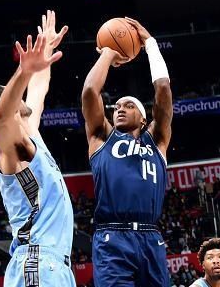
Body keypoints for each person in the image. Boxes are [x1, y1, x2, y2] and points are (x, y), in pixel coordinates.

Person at [0, 11, 76, 287]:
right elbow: (3, 115)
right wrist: (23, 70)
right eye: (12, 91)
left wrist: (47, 48)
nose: (22, 92)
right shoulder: (8, 149)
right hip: (37, 263)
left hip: (53, 264)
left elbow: (39, 87)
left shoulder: (29, 133)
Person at [81, 17, 173, 286]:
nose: (119, 108)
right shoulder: (102, 138)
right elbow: (89, 91)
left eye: (128, 105)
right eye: (116, 106)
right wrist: (108, 53)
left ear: (144, 118)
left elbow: (164, 89)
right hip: (112, 238)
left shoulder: (157, 141)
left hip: (150, 237)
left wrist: (150, 44)